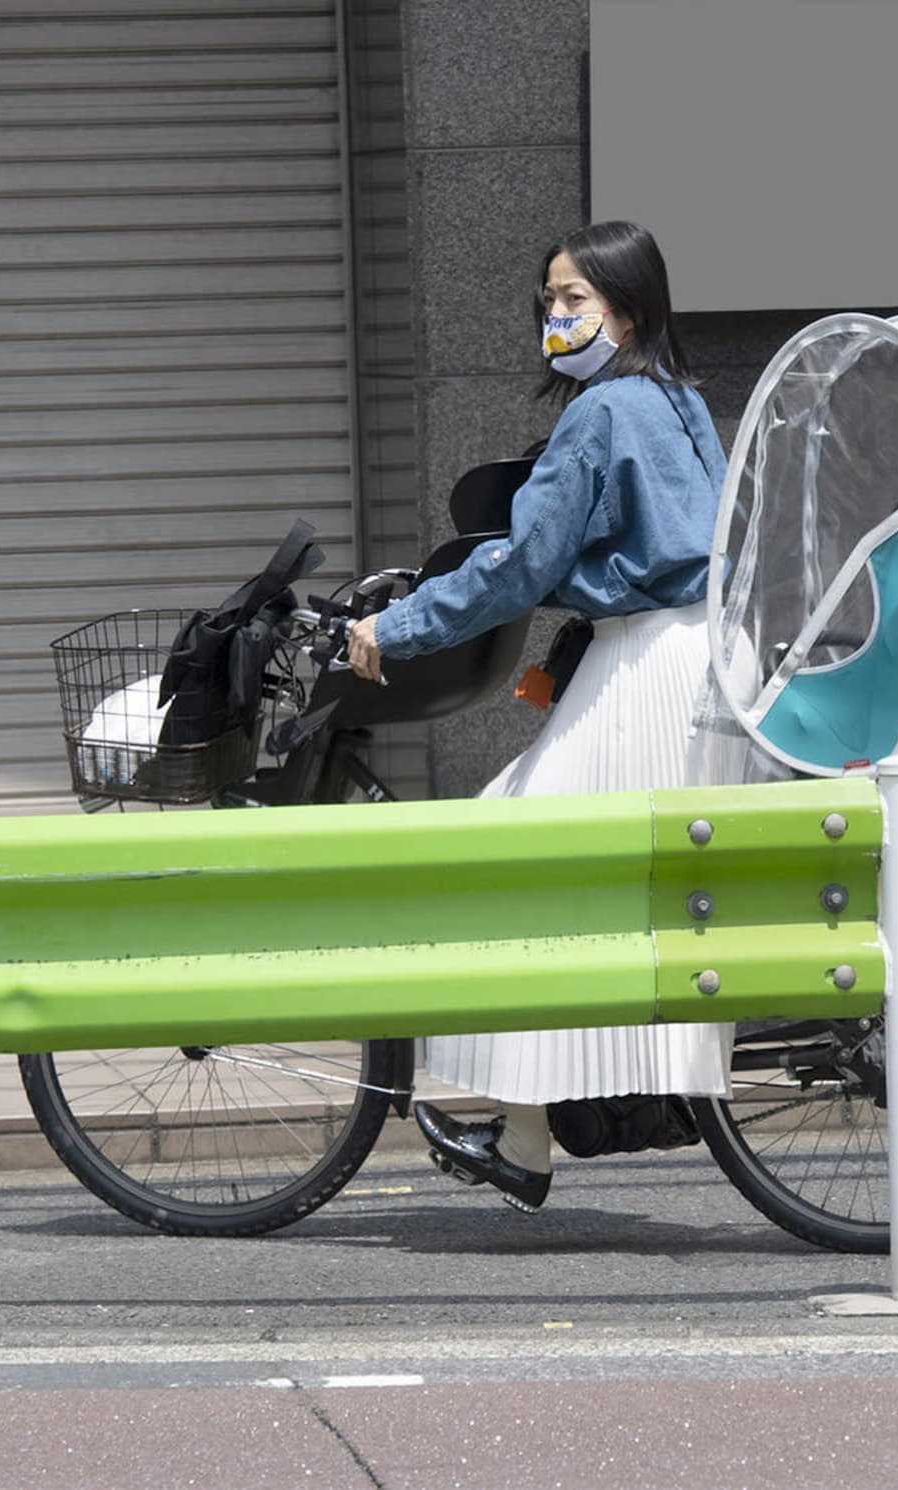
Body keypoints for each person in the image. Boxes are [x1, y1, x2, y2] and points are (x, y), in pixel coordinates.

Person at [347, 220, 743, 1213]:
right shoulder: (681, 402)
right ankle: (558, 1116)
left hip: (644, 664)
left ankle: (540, 1129)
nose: (554, 320)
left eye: (574, 301)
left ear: (631, 309)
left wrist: (398, 625)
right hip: (703, 659)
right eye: (548, 303)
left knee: (503, 852)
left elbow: (520, 563)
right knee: (614, 889)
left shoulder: (601, 412)